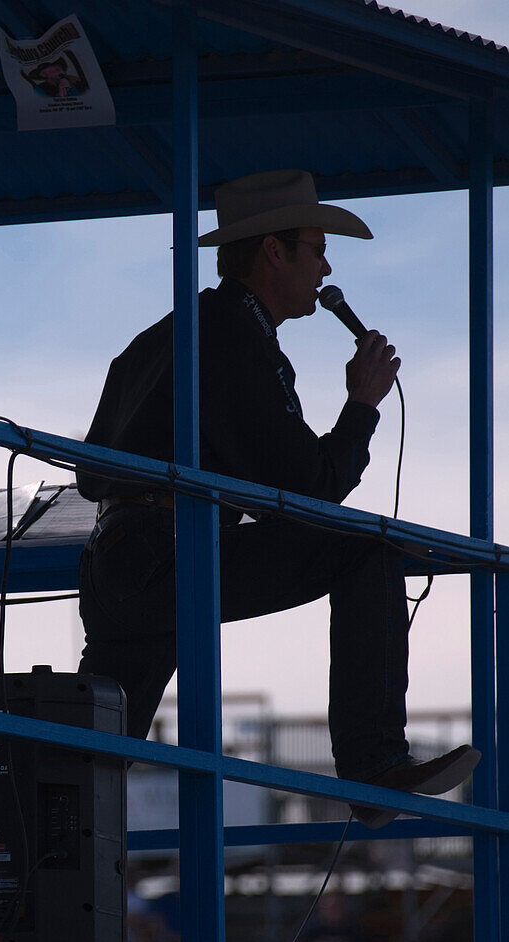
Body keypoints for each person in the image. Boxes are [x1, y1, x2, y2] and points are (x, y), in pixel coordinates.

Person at [76, 168, 479, 827]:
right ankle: (373, 765)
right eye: (316, 248)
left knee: (89, 764)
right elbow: (308, 491)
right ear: (273, 250)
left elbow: (92, 475)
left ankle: (27, 879)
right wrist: (361, 406)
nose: (325, 267)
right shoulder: (236, 341)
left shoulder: (161, 338)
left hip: (117, 561)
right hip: (169, 560)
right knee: (362, 547)